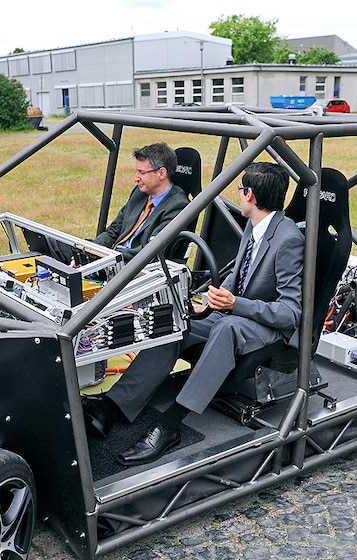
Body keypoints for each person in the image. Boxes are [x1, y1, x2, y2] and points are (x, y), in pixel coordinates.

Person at [84, 161, 304, 466]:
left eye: (241, 190)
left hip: (266, 327)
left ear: (250, 195)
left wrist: (234, 305)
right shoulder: (257, 225)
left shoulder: (288, 239)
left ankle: (170, 425)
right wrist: (209, 300)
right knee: (178, 322)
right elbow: (241, 274)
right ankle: (113, 407)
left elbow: (291, 314)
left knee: (227, 330)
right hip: (235, 313)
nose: (239, 195)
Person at [48, 142, 190, 264]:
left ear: (161, 173)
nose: (136, 178)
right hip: (111, 257)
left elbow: (151, 251)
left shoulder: (177, 206)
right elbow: (114, 230)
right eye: (136, 172)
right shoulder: (140, 194)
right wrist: (89, 251)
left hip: (132, 268)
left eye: (141, 172)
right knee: (52, 242)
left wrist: (102, 258)